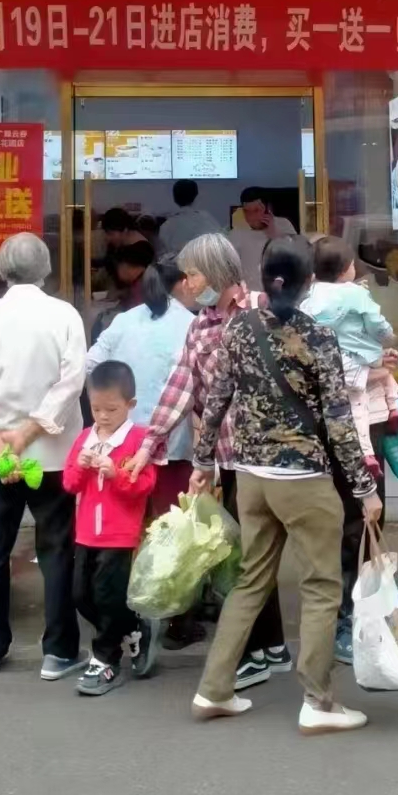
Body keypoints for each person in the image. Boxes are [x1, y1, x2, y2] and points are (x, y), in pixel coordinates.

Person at [189, 237, 382, 734]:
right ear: (308, 284)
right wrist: (364, 489)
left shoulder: (238, 328)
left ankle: (213, 689)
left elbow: (217, 399)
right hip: (304, 481)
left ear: (261, 274)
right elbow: (339, 423)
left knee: (251, 580)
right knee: (320, 586)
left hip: (251, 479)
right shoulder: (318, 338)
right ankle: (318, 702)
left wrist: (203, 460)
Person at [125, 231, 289, 687]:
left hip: (276, 459)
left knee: (253, 557)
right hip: (232, 462)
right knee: (249, 555)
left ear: (217, 272)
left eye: (194, 273)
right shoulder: (199, 326)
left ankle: (257, 652)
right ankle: (270, 647)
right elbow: (180, 387)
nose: (188, 283)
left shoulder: (266, 309)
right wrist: (148, 444)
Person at [0, 232, 86, 680]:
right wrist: (30, 432)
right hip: (51, 455)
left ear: (2, 270)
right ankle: (59, 653)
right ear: (47, 269)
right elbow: (72, 382)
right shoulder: (64, 315)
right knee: (57, 551)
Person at [302, 236, 398, 663]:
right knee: (355, 519)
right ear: (346, 269)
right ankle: (350, 615)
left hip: (364, 418)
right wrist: (376, 368)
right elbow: (333, 374)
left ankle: (366, 605)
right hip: (345, 424)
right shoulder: (348, 302)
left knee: (366, 518)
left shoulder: (310, 306)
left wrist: (381, 368)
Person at [63, 361, 159, 696]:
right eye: (96, 409)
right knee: (81, 595)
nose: (102, 416)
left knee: (107, 594)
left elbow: (144, 486)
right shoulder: (84, 438)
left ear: (130, 405)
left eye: (111, 409)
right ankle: (133, 629)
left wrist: (117, 474)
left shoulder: (138, 439)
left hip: (120, 534)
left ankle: (105, 660)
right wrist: (83, 464)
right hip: (86, 532)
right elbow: (70, 484)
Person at [86, 256, 197, 522]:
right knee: (171, 533)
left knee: (126, 528)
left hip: (122, 443)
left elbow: (91, 364)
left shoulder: (124, 320)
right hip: (171, 447)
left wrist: (108, 407)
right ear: (182, 283)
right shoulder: (190, 324)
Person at [229, 187, 297, 293]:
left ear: (267, 209)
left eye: (256, 210)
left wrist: (273, 234)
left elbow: (295, 257)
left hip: (280, 292)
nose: (252, 217)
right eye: (247, 212)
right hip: (251, 294)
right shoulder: (237, 232)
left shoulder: (283, 225)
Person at [159, 180, 220, 255]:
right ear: (196, 196)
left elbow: (163, 254)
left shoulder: (166, 226)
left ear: (175, 199)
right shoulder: (207, 219)